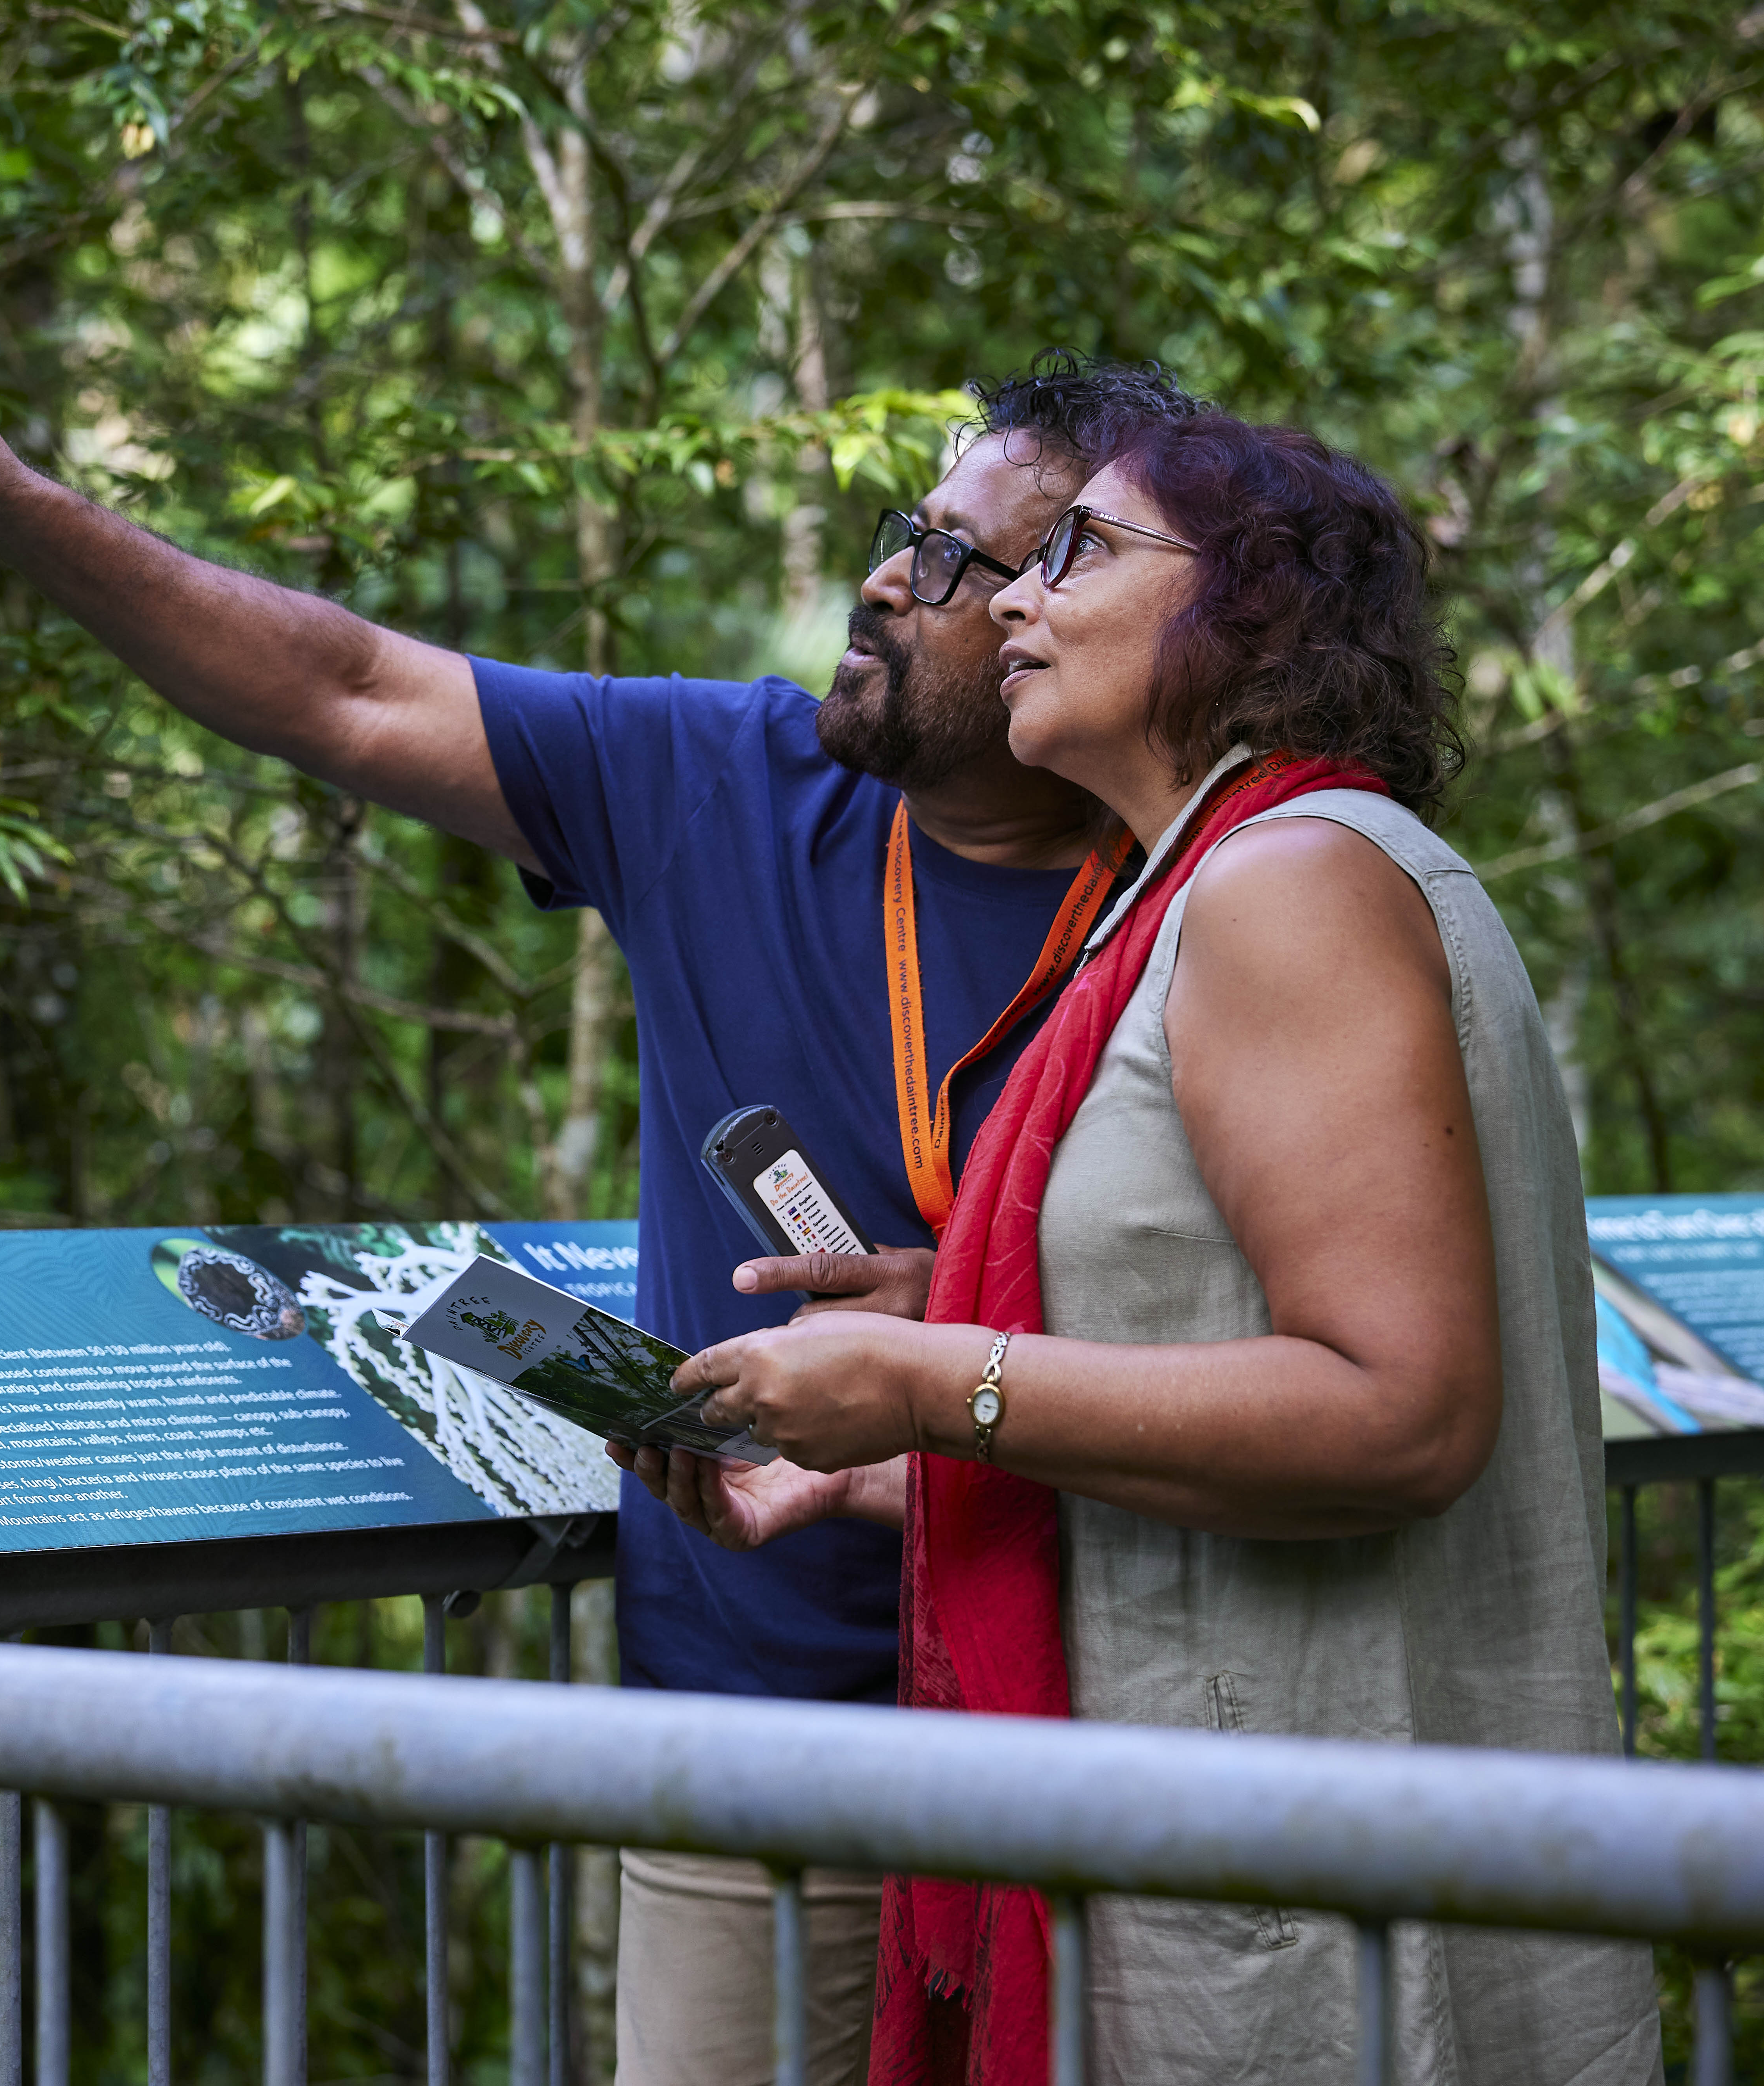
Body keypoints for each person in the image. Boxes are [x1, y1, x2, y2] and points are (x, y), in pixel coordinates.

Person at [0, 255, 1203, 2086]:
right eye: (899, 535)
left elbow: (1304, 1333)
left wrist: (981, 1331)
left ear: (1062, 618)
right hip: (759, 1751)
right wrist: (6, 497)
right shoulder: (726, 786)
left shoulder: (1216, 889)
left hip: (1104, 1735)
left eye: (950, 562)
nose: (884, 582)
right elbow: (342, 687)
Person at [649, 417, 1660, 2084]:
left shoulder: (1287, 882)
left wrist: (930, 1374)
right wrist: (898, 1445)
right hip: (1260, 1821)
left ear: (1249, 606)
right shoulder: (1224, 877)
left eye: (1078, 552)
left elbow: (1398, 1414)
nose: (1008, 599)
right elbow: (1217, 1348)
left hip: (1299, 1863)